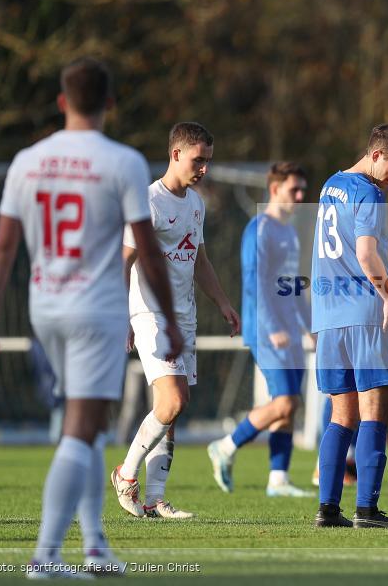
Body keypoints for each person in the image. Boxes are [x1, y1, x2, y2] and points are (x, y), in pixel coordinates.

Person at [0, 58, 183, 578]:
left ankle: (94, 547)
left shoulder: (27, 160)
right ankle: (44, 557)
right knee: (80, 428)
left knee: (88, 429)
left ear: (63, 102)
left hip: (45, 306)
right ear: (109, 104)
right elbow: (149, 253)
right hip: (95, 309)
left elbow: (2, 249)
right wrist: (172, 320)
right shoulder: (123, 162)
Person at [112, 122, 240, 519]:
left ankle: (156, 499)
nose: (203, 168)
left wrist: (221, 301)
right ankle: (125, 474)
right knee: (174, 400)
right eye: (198, 160)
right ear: (176, 155)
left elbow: (198, 259)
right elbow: (124, 261)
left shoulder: (196, 204)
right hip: (150, 314)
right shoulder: (147, 202)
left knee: (172, 409)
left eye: (208, 161)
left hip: (184, 316)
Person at [311, 123, 388, 528]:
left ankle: (327, 509)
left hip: (330, 317)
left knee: (341, 415)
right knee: (375, 411)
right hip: (365, 313)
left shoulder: (329, 185)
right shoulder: (368, 192)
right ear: (375, 155)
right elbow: (366, 254)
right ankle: (367, 511)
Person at [207, 161, 315, 497]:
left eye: (302, 190)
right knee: (283, 403)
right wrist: (272, 328)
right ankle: (225, 446)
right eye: (293, 189)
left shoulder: (290, 231)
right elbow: (255, 284)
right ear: (274, 189)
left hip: (288, 330)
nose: (299, 196)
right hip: (267, 330)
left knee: (291, 404)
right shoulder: (259, 229)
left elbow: (292, 285)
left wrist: (309, 326)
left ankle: (278, 479)